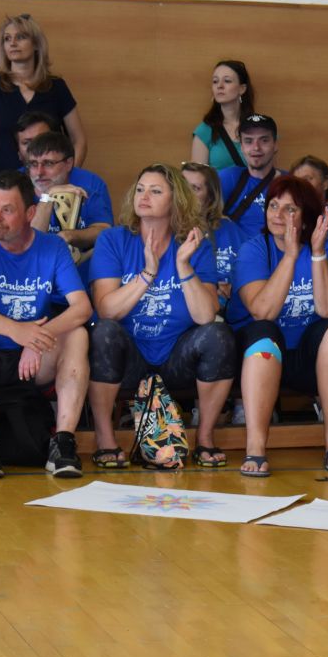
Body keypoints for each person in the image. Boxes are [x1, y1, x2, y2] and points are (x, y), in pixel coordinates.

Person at [0, 171, 91, 478]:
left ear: (30, 213)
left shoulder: (52, 247)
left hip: (31, 360)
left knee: (76, 334)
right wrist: (15, 330)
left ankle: (63, 443)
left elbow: (82, 308)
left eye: (7, 210)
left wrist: (37, 337)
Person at [87, 164, 235, 469]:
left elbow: (206, 315)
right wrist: (147, 274)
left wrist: (183, 265)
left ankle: (205, 439)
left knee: (219, 335)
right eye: (140, 189)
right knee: (104, 332)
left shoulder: (194, 245)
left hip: (177, 356)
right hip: (131, 357)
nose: (144, 196)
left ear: (176, 200)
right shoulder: (113, 240)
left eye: (155, 191)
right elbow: (106, 309)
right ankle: (105, 439)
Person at [228, 176, 328, 476]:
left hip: (310, 358)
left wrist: (317, 253)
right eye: (273, 206)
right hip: (262, 357)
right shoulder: (254, 249)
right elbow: (263, 310)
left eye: (290, 209)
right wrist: (289, 256)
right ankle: (256, 449)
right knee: (264, 332)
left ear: (307, 216)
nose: (277, 214)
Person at [0, 14, 86, 183]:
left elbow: (79, 140)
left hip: (48, 187)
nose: (12, 43)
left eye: (20, 37)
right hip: (3, 184)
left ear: (36, 44)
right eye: (7, 38)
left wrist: (67, 177)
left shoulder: (57, 87)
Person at [24, 131, 112, 266]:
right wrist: (48, 196)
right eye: (34, 164)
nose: (39, 172)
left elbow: (104, 231)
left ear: (69, 163)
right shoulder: (21, 197)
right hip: (38, 275)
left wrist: (71, 236)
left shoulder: (88, 194)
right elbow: (32, 242)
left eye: (48, 163)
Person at [180, 161, 241, 314]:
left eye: (195, 188)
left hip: (229, 312)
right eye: (182, 187)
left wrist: (235, 286)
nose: (185, 194)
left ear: (210, 198)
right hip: (188, 313)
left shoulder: (229, 229)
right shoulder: (167, 231)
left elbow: (251, 270)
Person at [218, 114, 286, 240]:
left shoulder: (290, 184)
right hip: (234, 251)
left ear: (275, 144)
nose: (256, 147)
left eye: (264, 140)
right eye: (248, 141)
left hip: (275, 251)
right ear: (241, 146)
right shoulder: (227, 178)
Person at [190, 60, 255, 170]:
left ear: (242, 89)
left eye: (227, 81)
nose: (219, 86)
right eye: (215, 81)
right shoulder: (205, 130)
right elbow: (196, 177)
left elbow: (268, 172)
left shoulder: (259, 126)